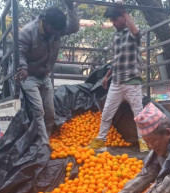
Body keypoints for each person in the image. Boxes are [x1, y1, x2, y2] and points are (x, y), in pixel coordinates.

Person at [16, 0, 80, 144]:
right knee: (39, 111)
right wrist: (23, 68)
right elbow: (19, 52)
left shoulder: (55, 29)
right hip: (29, 76)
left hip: (45, 76)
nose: (57, 34)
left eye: (59, 31)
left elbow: (74, 27)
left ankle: (48, 138)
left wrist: (70, 8)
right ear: (45, 23)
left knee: (50, 113)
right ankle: (43, 145)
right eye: (55, 30)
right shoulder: (28, 32)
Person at [88, 4, 149, 152]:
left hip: (132, 82)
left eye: (116, 19)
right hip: (116, 82)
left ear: (123, 17)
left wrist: (125, 12)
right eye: (112, 20)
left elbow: (136, 31)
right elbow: (115, 60)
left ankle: (143, 142)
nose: (113, 23)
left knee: (138, 114)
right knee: (107, 112)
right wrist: (107, 76)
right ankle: (101, 141)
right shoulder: (116, 36)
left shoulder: (132, 33)